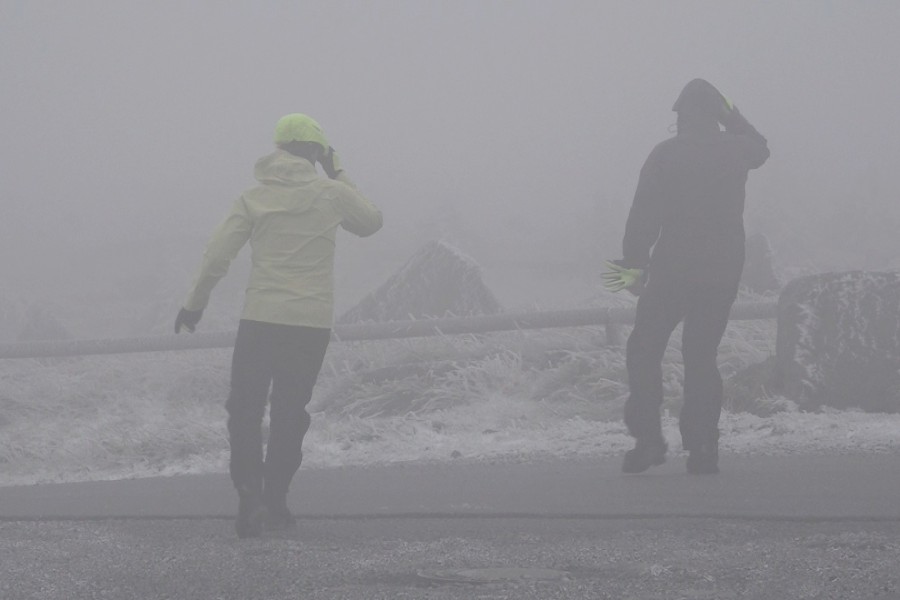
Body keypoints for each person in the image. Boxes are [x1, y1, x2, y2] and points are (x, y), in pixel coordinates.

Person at [175, 114, 382, 537]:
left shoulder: (253, 198)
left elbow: (216, 257)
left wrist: (194, 305)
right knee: (290, 412)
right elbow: (371, 223)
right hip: (309, 324)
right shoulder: (333, 193)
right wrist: (338, 169)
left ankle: (249, 496)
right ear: (317, 154)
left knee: (245, 410)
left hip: (260, 321)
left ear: (279, 149)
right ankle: (278, 500)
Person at [603, 79, 769, 475]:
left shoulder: (665, 155)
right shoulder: (736, 149)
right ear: (716, 116)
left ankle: (647, 442)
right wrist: (731, 111)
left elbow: (642, 216)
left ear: (680, 115)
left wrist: (631, 269)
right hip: (723, 271)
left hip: (673, 270)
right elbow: (762, 145)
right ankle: (703, 448)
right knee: (701, 355)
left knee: (643, 349)